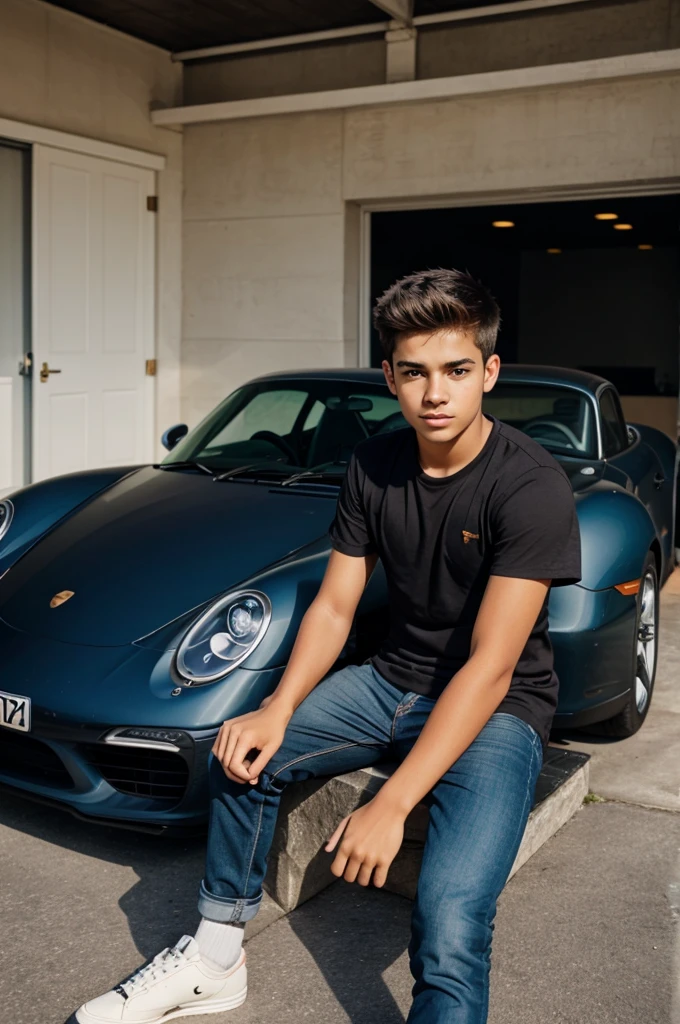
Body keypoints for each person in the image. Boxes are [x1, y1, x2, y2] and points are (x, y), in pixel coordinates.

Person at [68, 268, 581, 1024]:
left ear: (489, 373)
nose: (435, 393)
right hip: (390, 681)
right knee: (243, 750)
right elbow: (336, 607)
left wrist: (395, 802)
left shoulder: (529, 485)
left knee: (452, 914)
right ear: (390, 377)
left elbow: (492, 664)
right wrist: (277, 709)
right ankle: (214, 958)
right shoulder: (373, 466)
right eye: (414, 373)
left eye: (456, 371)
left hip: (498, 707)